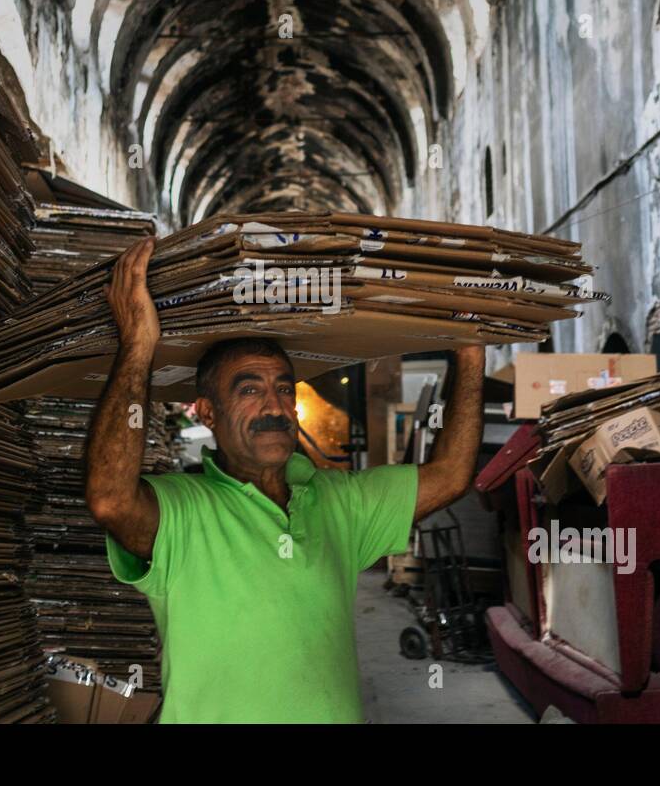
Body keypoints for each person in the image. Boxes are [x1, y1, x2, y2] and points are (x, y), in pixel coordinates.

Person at [84, 236, 485, 723]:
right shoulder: (181, 511)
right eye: (249, 389)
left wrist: (470, 355)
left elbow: (451, 475)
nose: (273, 407)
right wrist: (138, 345)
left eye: (281, 389)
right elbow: (109, 498)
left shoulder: (341, 502)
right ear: (207, 412)